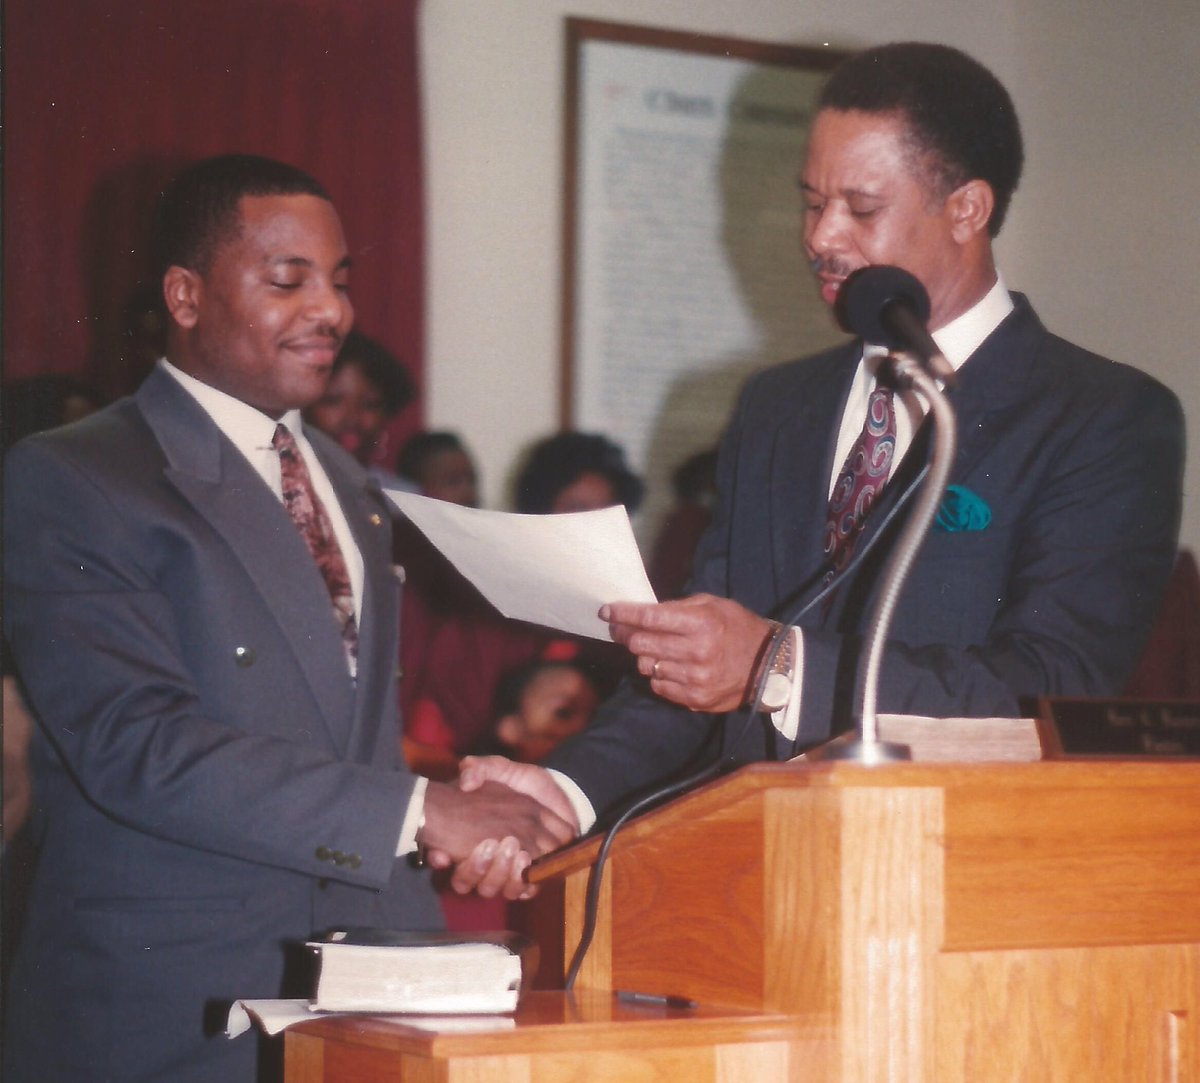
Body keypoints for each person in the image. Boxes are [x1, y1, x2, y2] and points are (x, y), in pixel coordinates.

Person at [441, 41, 1185, 881]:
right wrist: (562, 793)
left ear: (968, 208)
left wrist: (774, 666)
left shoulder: (1102, 415)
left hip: (960, 883)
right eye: (811, 203)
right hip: (746, 880)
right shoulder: (777, 407)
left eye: (860, 209)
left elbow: (1051, 692)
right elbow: (701, 674)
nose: (821, 237)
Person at [2, 153, 571, 1083]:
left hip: (362, 1012)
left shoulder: (352, 486)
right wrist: (428, 810)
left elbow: (358, 751)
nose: (332, 310)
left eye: (340, 280)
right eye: (287, 279)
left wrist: (452, 842)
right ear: (184, 296)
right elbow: (136, 744)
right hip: (168, 1017)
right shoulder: (77, 475)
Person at [304, 328, 417, 492]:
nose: (352, 418)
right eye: (333, 401)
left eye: (369, 405)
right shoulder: (280, 489)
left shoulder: (402, 501)